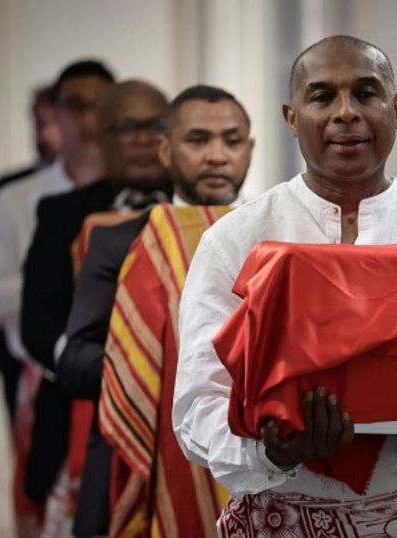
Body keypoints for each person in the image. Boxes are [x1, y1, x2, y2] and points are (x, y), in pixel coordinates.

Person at [172, 36, 397, 536]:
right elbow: (197, 406)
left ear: (396, 109)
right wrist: (270, 453)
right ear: (291, 117)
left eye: (365, 93)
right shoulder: (235, 240)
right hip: (277, 521)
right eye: (322, 96)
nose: (345, 113)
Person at [87, 85, 254, 537]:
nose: (217, 156)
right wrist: (151, 365)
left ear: (250, 148)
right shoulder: (121, 239)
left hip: (259, 453)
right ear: (165, 150)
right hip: (152, 443)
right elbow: (74, 358)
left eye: (232, 141)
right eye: (198, 140)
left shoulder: (276, 237)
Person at [0, 58, 115, 537]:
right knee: (41, 505)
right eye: (75, 106)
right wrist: (55, 288)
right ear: (56, 113)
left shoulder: (139, 195)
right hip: (38, 378)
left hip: (121, 377)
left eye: (100, 106)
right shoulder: (18, 197)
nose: (88, 119)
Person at [19, 79, 171, 531]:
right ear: (101, 138)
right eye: (127, 127)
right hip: (80, 403)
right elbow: (37, 322)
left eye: (156, 125)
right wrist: (97, 368)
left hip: (177, 417)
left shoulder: (202, 209)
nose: (143, 139)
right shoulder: (60, 213)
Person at [0, 84, 61, 432]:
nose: (44, 135)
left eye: (52, 122)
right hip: (19, 353)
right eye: (38, 123)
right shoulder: (12, 189)